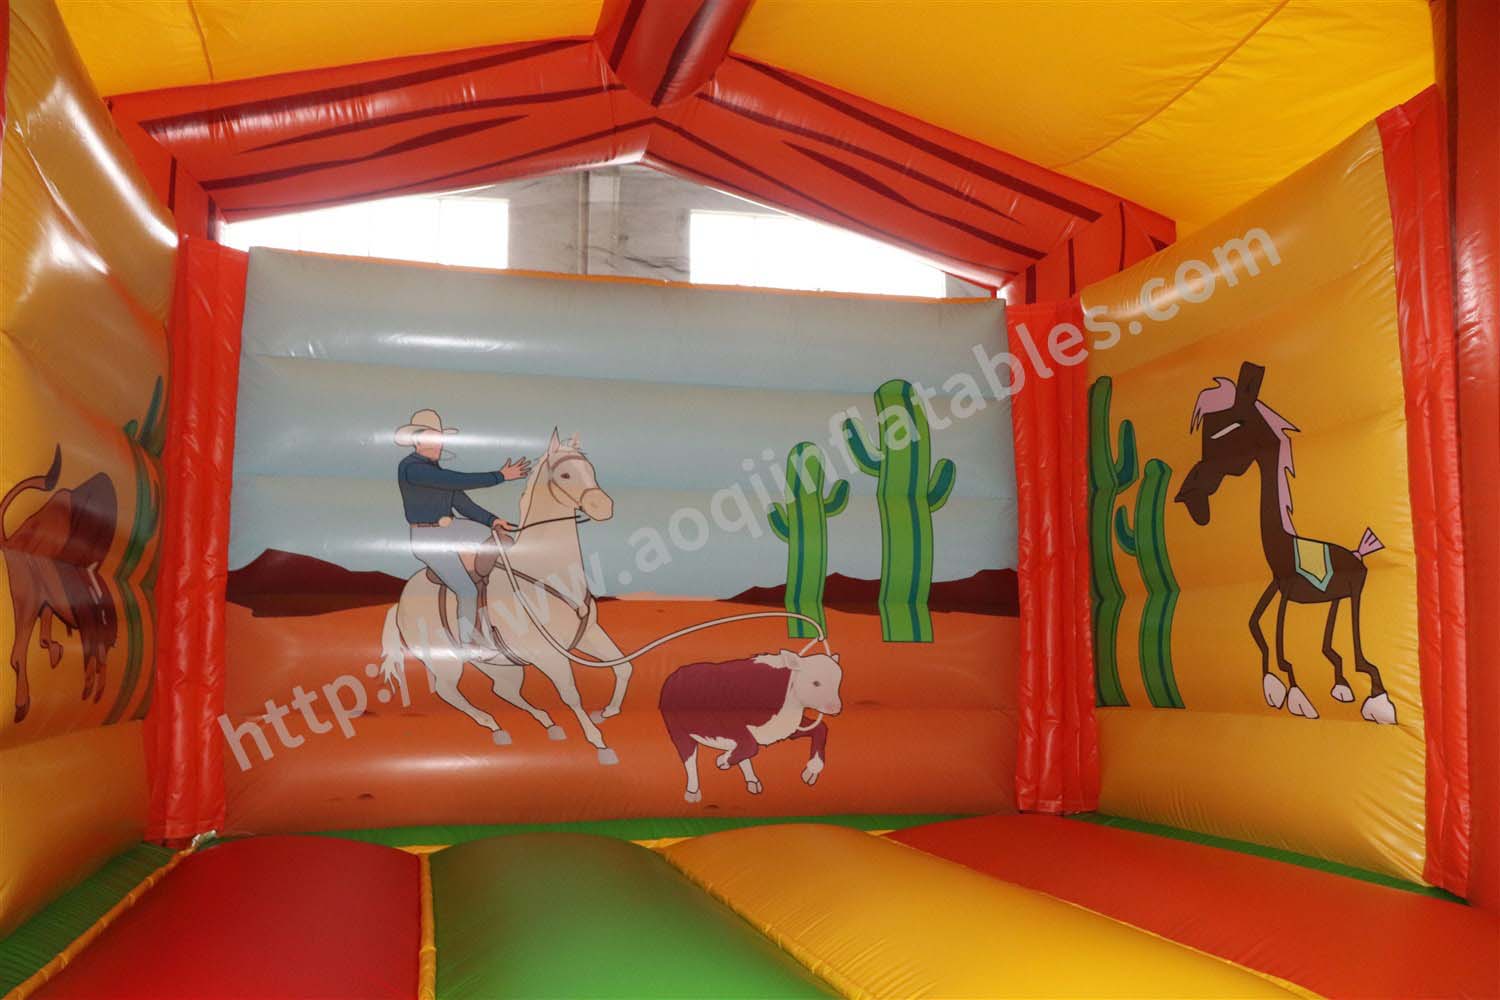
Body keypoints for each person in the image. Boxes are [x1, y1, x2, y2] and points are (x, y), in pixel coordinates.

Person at [396, 409, 530, 652]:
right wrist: (500, 476)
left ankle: (488, 585)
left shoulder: (435, 472)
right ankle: (469, 643)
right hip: (427, 537)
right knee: (466, 590)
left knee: (502, 541)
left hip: (453, 527)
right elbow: (456, 481)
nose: (438, 444)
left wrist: (492, 521)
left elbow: (462, 502)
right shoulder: (411, 468)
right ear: (417, 441)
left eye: (439, 439)